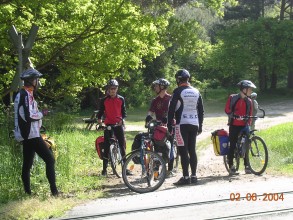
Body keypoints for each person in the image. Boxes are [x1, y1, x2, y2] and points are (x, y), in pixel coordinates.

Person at [14, 68, 59, 196]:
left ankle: (28, 193)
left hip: (28, 134)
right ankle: (54, 192)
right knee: (50, 160)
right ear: (31, 81)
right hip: (30, 135)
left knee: (27, 164)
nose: (38, 82)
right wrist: (42, 114)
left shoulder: (25, 94)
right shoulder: (24, 95)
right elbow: (28, 116)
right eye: (36, 79)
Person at [167, 69, 204, 185]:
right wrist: (200, 125)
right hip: (194, 123)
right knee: (192, 150)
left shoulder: (177, 91)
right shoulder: (196, 91)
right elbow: (201, 110)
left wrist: (169, 124)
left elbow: (171, 109)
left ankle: (185, 177)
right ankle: (194, 176)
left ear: (178, 79)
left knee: (183, 151)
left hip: (181, 124)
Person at [97, 79, 131, 176]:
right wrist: (100, 123)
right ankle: (104, 170)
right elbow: (100, 113)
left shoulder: (121, 99)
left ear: (117, 89)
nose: (113, 90)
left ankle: (125, 168)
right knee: (107, 146)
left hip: (118, 124)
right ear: (108, 89)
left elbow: (124, 113)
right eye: (111, 88)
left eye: (115, 88)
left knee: (122, 146)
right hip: (108, 125)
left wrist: (122, 120)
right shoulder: (104, 100)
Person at [225, 80, 256, 175]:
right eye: (250, 89)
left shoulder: (249, 101)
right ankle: (231, 166)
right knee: (233, 144)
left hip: (244, 125)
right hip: (234, 125)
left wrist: (249, 123)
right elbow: (227, 109)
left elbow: (250, 113)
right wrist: (233, 115)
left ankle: (247, 166)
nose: (251, 91)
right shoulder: (233, 98)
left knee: (247, 144)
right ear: (244, 89)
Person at [145, 78, 174, 177]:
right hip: (158, 126)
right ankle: (156, 169)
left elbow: (174, 111)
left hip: (169, 125)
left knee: (169, 145)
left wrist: (169, 119)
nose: (155, 88)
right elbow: (151, 111)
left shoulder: (170, 98)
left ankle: (170, 169)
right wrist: (148, 117)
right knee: (156, 147)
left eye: (157, 86)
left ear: (162, 87)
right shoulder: (155, 100)